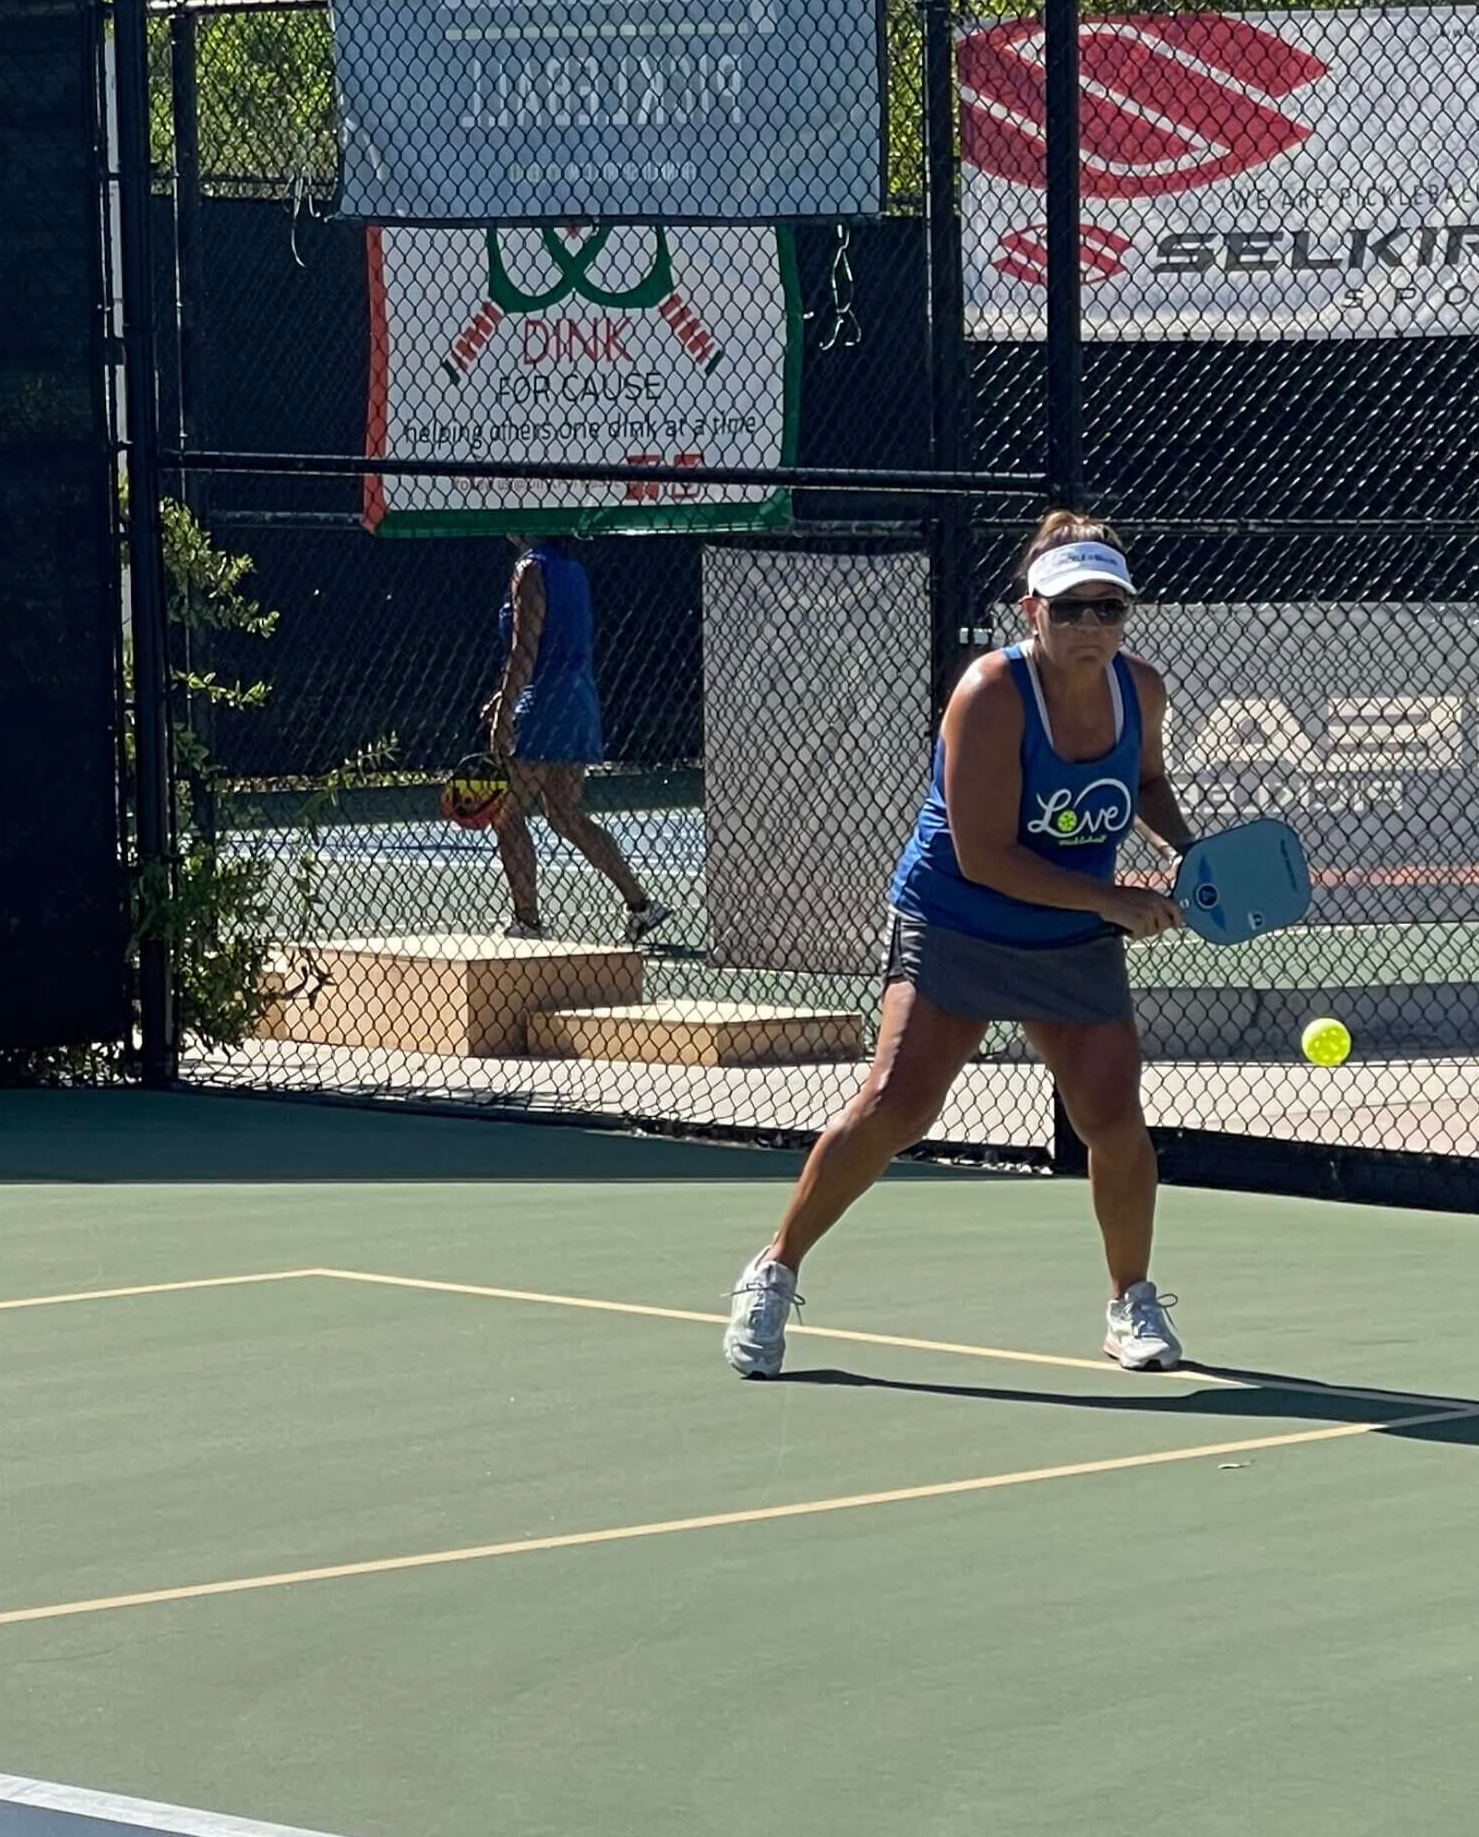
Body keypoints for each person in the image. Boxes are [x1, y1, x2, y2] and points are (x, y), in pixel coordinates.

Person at [724, 512, 1196, 1381]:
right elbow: (985, 856)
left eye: (1109, 608)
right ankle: (774, 1269)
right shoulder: (989, 694)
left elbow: (1148, 781)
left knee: (1113, 1121)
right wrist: (1115, 901)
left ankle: (1131, 1303)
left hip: (1071, 930)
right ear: (1031, 612)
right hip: (958, 917)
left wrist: (1186, 851)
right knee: (897, 1105)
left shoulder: (1142, 689)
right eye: (1071, 609)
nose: (1091, 627)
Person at [481, 535, 665, 945]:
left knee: (508, 813)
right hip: (578, 702)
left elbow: (524, 650)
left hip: (541, 707)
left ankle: (527, 921)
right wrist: (505, 695)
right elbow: (554, 647)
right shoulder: (573, 570)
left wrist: (505, 712)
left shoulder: (530, 570)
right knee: (564, 812)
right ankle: (640, 905)